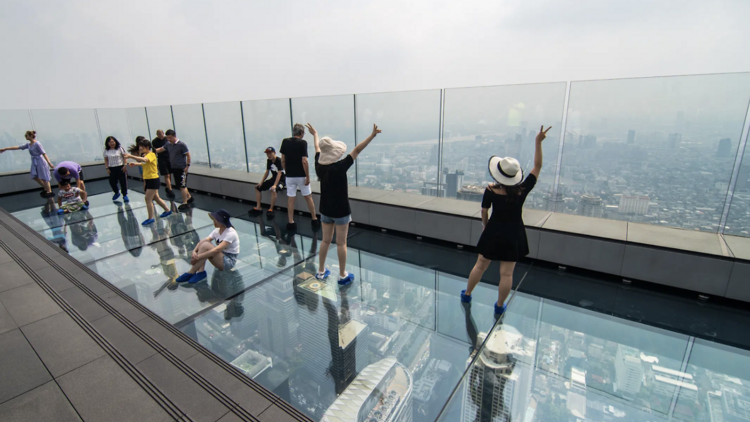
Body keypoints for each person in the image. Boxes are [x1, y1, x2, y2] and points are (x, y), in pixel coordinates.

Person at [461, 125, 552, 315]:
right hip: (514, 234)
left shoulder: (490, 190)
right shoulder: (522, 189)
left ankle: (468, 294)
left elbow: (484, 210)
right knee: (507, 274)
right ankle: (500, 306)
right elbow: (538, 166)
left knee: (480, 265)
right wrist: (538, 142)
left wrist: (485, 225)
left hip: (493, 231)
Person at [312, 123, 381, 286]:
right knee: (341, 243)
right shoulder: (340, 167)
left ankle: (321, 272)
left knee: (325, 241)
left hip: (325, 210)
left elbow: (316, 148)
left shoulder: (318, 166)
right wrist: (372, 136)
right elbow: (357, 150)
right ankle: (342, 275)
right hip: (341, 210)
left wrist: (315, 134)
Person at [176, 209, 239, 284]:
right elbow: (203, 241)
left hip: (228, 261)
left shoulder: (231, 233)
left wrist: (198, 257)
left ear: (222, 221)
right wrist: (194, 251)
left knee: (206, 246)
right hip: (220, 257)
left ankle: (192, 272)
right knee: (204, 242)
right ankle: (200, 272)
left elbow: (217, 250)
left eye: (216, 220)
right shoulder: (217, 230)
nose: (214, 221)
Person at [280, 123, 318, 229]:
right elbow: (304, 161)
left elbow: (283, 159)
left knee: (291, 198)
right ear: (301, 133)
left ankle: (291, 221)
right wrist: (308, 176)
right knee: (308, 197)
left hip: (290, 176)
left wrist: (287, 171)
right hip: (301, 175)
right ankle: (314, 219)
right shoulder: (302, 143)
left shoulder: (285, 141)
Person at [126, 138, 173, 225]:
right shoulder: (146, 155)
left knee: (148, 199)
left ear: (147, 147)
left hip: (153, 179)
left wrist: (130, 156)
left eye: (142, 147)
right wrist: (136, 164)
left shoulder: (151, 154)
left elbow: (145, 160)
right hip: (149, 179)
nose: (140, 148)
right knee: (156, 198)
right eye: (140, 147)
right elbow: (145, 163)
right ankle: (167, 210)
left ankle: (150, 218)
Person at [0, 130, 55, 198]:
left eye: (26, 135)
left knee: (44, 176)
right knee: (34, 176)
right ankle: (45, 187)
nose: (25, 136)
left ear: (31, 136)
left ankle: (49, 191)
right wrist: (5, 149)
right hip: (35, 161)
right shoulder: (29, 145)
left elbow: (44, 153)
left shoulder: (37, 144)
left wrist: (49, 163)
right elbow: (18, 147)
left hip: (40, 161)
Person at [153, 129, 193, 210]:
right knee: (180, 184)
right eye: (167, 138)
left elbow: (188, 155)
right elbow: (161, 149)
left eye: (170, 137)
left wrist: (187, 166)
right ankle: (189, 197)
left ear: (174, 136)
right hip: (174, 167)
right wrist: (151, 152)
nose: (168, 139)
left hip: (181, 168)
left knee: (182, 185)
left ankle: (185, 202)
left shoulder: (181, 145)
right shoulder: (168, 144)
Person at [250, 146, 285, 217]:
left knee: (274, 190)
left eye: (270, 153)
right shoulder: (269, 161)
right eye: (267, 154)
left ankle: (271, 209)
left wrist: (275, 185)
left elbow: (279, 173)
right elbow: (267, 172)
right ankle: (258, 207)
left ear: (274, 153)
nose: (269, 155)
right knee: (258, 188)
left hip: (282, 180)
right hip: (273, 179)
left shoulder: (279, 161)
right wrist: (261, 183)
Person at [103, 136, 129, 202]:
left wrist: (125, 165)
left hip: (120, 167)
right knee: (112, 182)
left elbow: (125, 157)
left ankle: (125, 195)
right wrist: (107, 168)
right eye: (110, 142)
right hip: (111, 168)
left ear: (115, 142)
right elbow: (106, 160)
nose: (112, 143)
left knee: (123, 182)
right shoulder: (106, 151)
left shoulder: (120, 148)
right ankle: (116, 192)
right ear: (107, 143)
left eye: (113, 142)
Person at [151, 129, 175, 198]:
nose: (161, 136)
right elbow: (155, 151)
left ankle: (168, 186)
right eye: (159, 134)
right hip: (161, 159)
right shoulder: (154, 141)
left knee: (169, 174)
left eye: (161, 134)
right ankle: (170, 189)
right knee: (166, 174)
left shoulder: (167, 140)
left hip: (169, 158)